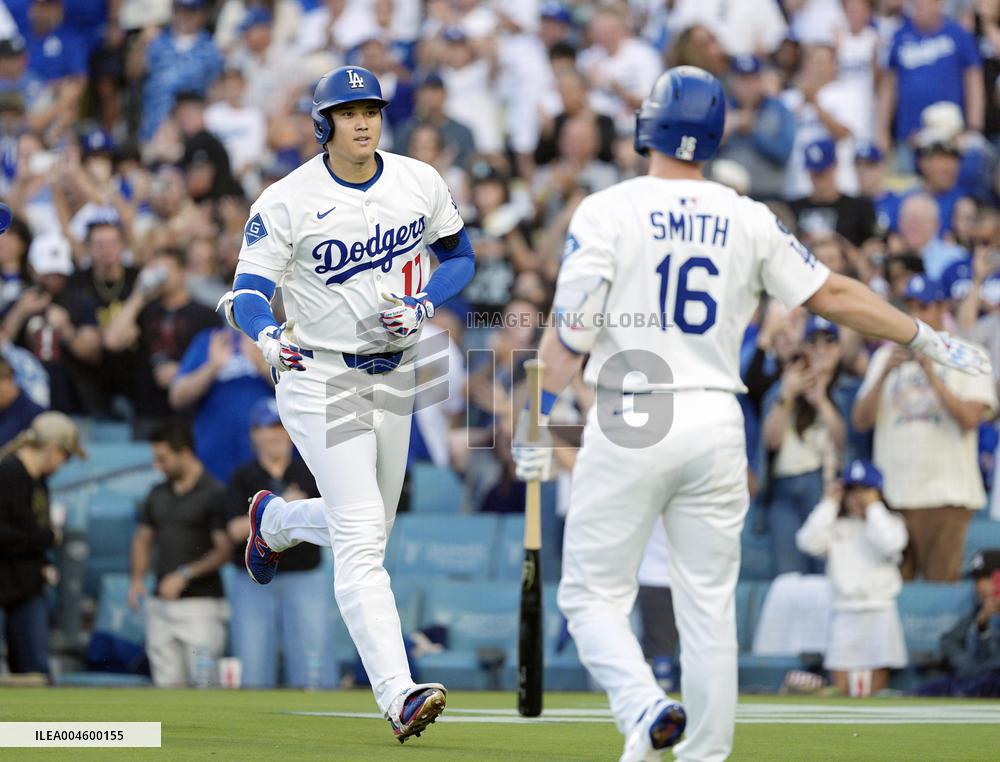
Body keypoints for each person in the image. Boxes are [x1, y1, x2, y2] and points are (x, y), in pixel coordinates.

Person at [511, 66, 989, 762]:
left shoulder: (606, 209)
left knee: (589, 597)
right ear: (713, 135)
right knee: (707, 609)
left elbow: (567, 339)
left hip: (632, 411)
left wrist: (540, 420)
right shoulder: (746, 213)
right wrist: (920, 333)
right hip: (715, 421)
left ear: (648, 124)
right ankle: (700, 754)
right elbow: (834, 295)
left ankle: (644, 705)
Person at [216, 66, 475, 742]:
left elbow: (460, 256)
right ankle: (399, 693)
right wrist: (265, 333)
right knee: (363, 539)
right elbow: (245, 291)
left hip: (394, 375)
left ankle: (276, 523)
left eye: (372, 109)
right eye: (348, 110)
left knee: (369, 529)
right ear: (323, 122)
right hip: (318, 372)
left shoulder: (418, 180)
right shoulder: (288, 197)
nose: (362, 121)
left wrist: (425, 300)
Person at [851, 275, 997, 581]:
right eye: (910, 306)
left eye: (924, 306)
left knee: (940, 591)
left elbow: (971, 419)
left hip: (946, 496)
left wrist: (931, 373)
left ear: (942, 308)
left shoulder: (966, 353)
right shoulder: (884, 357)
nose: (916, 314)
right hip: (892, 494)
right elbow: (860, 421)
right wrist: (882, 376)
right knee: (889, 590)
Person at [224, 397, 336, 689]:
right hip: (253, 579)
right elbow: (233, 530)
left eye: (280, 426)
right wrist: (286, 508)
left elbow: (332, 519)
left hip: (304, 574)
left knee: (313, 661)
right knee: (253, 661)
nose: (275, 434)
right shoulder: (243, 476)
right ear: (254, 434)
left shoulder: (311, 472)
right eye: (267, 427)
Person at [128, 422, 231, 688]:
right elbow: (143, 538)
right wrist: (138, 580)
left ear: (184, 453)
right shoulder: (157, 493)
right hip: (161, 604)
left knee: (205, 684)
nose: (158, 466)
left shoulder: (215, 493)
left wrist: (185, 574)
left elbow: (224, 549)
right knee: (166, 683)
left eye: (163, 459)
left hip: (201, 604)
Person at [796, 459, 909, 697]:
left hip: (880, 610)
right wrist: (828, 503)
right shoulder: (836, 527)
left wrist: (874, 508)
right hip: (844, 611)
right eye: (852, 491)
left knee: (876, 690)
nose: (858, 498)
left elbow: (891, 543)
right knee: (841, 688)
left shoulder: (891, 523)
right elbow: (807, 542)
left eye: (864, 490)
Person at [103, 247, 220, 438]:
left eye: (166, 269)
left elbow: (217, 359)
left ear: (183, 273)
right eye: (156, 269)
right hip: (148, 410)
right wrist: (139, 295)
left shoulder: (205, 315)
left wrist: (182, 372)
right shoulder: (145, 311)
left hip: (190, 410)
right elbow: (112, 341)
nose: (161, 276)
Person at [0, 411, 84, 676]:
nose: (63, 464)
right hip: (4, 579)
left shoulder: (40, 483)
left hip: (28, 584)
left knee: (36, 672)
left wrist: (44, 561)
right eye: (65, 456)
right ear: (52, 449)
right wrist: (49, 538)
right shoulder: (8, 474)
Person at [761, 315, 845, 575]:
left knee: (826, 573)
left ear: (839, 348)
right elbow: (770, 441)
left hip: (823, 488)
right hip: (783, 488)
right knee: (788, 577)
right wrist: (787, 395)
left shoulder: (847, 388)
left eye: (829, 342)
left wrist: (821, 402)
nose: (821, 349)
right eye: (813, 341)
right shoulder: (782, 386)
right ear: (803, 346)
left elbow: (846, 443)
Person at [916, 548, 1000, 696]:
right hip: (976, 678)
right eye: (977, 580)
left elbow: (992, 661)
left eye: (987, 578)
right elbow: (949, 641)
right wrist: (982, 626)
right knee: (927, 691)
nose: (980, 586)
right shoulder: (978, 610)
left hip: (991, 679)